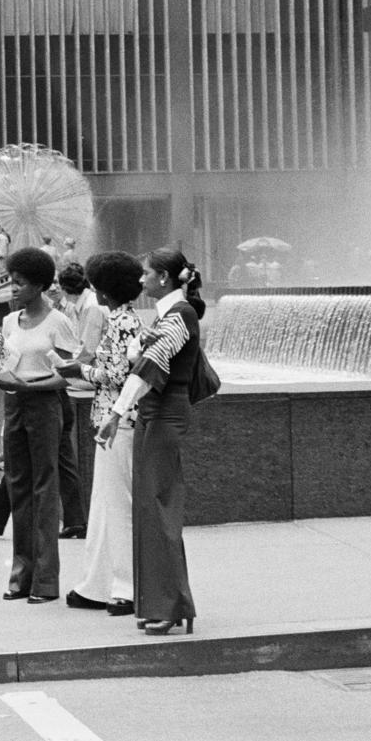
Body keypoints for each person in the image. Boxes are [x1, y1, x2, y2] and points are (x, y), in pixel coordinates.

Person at [98, 247, 204, 636]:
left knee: (158, 508)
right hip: (152, 414)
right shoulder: (171, 315)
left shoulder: (180, 315)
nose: (140, 280)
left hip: (163, 414)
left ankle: (170, 604)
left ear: (163, 278)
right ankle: (160, 602)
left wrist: (114, 414)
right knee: (150, 507)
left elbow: (149, 366)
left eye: (146, 273)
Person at [60, 252, 144, 616]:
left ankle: (124, 587)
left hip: (119, 422)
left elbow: (115, 374)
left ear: (102, 289)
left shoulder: (121, 322)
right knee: (105, 504)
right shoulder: (123, 319)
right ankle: (98, 583)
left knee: (116, 504)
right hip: (112, 421)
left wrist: (77, 370)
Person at [0, 247, 80, 604]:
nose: (12, 289)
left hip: (45, 404)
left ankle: (45, 581)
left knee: (45, 488)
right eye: (11, 281)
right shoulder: (9, 322)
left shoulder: (58, 321)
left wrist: (32, 385)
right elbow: (2, 361)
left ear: (40, 286)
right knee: (18, 487)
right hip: (14, 403)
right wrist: (8, 380)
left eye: (20, 283)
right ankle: (21, 575)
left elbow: (69, 376)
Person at [54, 263, 105, 540]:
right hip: (84, 369)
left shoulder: (92, 307)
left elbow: (87, 350)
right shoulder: (77, 305)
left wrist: (63, 366)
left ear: (65, 288)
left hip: (92, 374)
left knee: (50, 381)